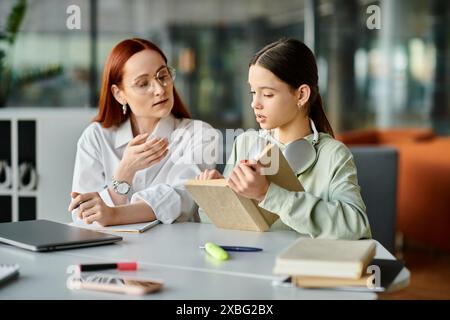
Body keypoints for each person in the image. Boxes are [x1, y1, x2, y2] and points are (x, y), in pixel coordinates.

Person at [197, 38, 371, 240]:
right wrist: (216, 194)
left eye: (268, 94)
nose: (255, 103)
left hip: (304, 266)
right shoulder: (245, 143)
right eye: (253, 92)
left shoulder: (334, 154)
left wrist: (268, 194)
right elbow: (215, 225)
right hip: (252, 264)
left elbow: (356, 226)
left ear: (301, 95)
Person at [68, 38, 215, 226]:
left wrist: (113, 215)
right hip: (108, 253)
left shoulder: (199, 134)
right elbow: (81, 215)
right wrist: (123, 174)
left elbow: (182, 198)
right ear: (119, 94)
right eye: (143, 83)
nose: (160, 89)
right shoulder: (95, 137)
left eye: (162, 76)